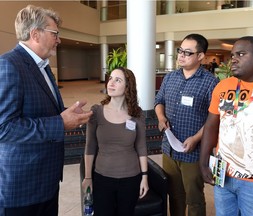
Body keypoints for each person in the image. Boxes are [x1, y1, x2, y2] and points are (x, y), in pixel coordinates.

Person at [0, 5, 93, 216]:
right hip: (22, 188)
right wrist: (60, 123)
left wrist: (70, 113)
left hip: (46, 180)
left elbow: (44, 111)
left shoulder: (43, 67)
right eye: (55, 34)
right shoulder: (9, 65)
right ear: (35, 34)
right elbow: (4, 127)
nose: (58, 40)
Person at [199, 36, 253, 216]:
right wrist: (203, 162)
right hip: (223, 177)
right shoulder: (224, 86)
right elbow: (211, 126)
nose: (234, 59)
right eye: (232, 55)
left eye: (241, 54)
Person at [154, 33, 219, 216]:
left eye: (187, 52)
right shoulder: (170, 77)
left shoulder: (210, 83)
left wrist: (197, 138)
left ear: (200, 56)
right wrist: (160, 117)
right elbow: (159, 100)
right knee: (174, 195)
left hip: (193, 153)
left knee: (194, 199)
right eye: (180, 50)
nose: (181, 55)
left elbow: (214, 118)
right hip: (169, 149)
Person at [82, 67, 149, 216]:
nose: (111, 83)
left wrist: (144, 177)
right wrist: (88, 177)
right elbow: (90, 146)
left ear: (127, 87)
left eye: (117, 80)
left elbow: (141, 147)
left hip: (131, 178)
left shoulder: (136, 114)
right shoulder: (97, 112)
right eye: (110, 78)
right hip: (102, 177)